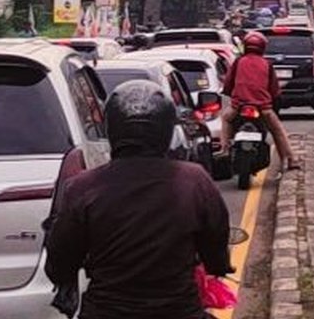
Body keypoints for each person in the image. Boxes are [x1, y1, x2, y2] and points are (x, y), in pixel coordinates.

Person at [45, 80, 232, 319]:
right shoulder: (194, 180)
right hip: (178, 311)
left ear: (112, 129)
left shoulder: (83, 188)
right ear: (166, 130)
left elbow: (58, 265)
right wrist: (218, 264)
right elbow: (216, 249)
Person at [219, 32, 300, 172]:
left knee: (226, 120)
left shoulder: (239, 62)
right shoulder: (266, 64)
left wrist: (229, 93)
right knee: (277, 130)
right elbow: (274, 89)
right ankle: (290, 159)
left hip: (239, 105)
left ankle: (224, 148)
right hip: (263, 107)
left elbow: (228, 84)